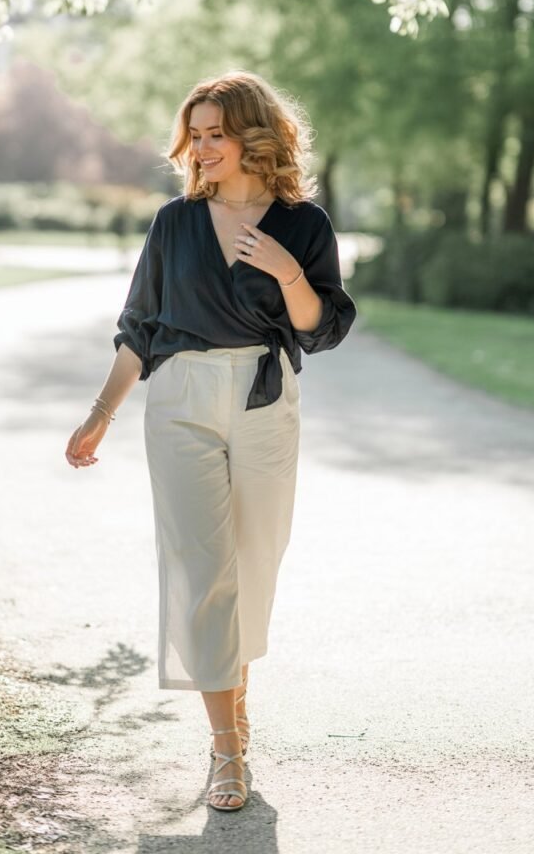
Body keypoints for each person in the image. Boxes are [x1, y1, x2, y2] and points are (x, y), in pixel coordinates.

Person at [65, 70, 356, 812]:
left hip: (265, 397)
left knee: (253, 563)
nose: (200, 149)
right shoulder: (174, 223)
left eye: (215, 134)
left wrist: (289, 271)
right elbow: (141, 327)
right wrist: (101, 412)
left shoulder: (304, 225)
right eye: (194, 135)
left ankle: (232, 698)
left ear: (253, 136)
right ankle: (227, 749)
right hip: (182, 401)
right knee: (203, 568)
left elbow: (318, 328)